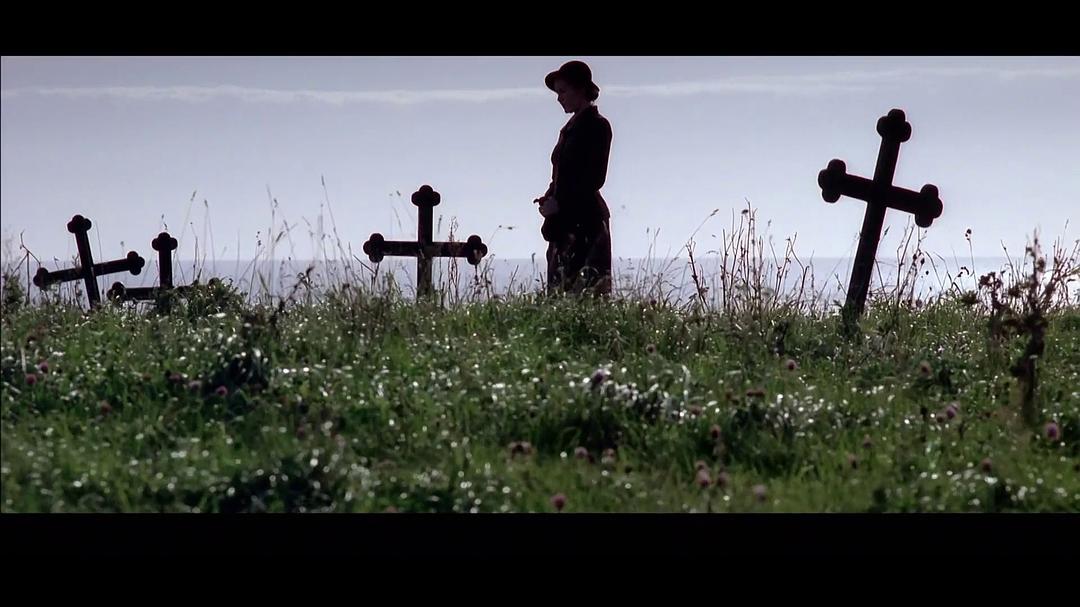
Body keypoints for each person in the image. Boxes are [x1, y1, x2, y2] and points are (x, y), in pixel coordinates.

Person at [535, 60, 613, 296]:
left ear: (580, 89)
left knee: (585, 294)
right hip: (564, 223)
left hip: (586, 222)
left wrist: (559, 205)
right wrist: (549, 199)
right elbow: (561, 176)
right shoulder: (570, 129)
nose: (559, 98)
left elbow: (594, 179)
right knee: (560, 294)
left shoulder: (597, 126)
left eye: (563, 91)